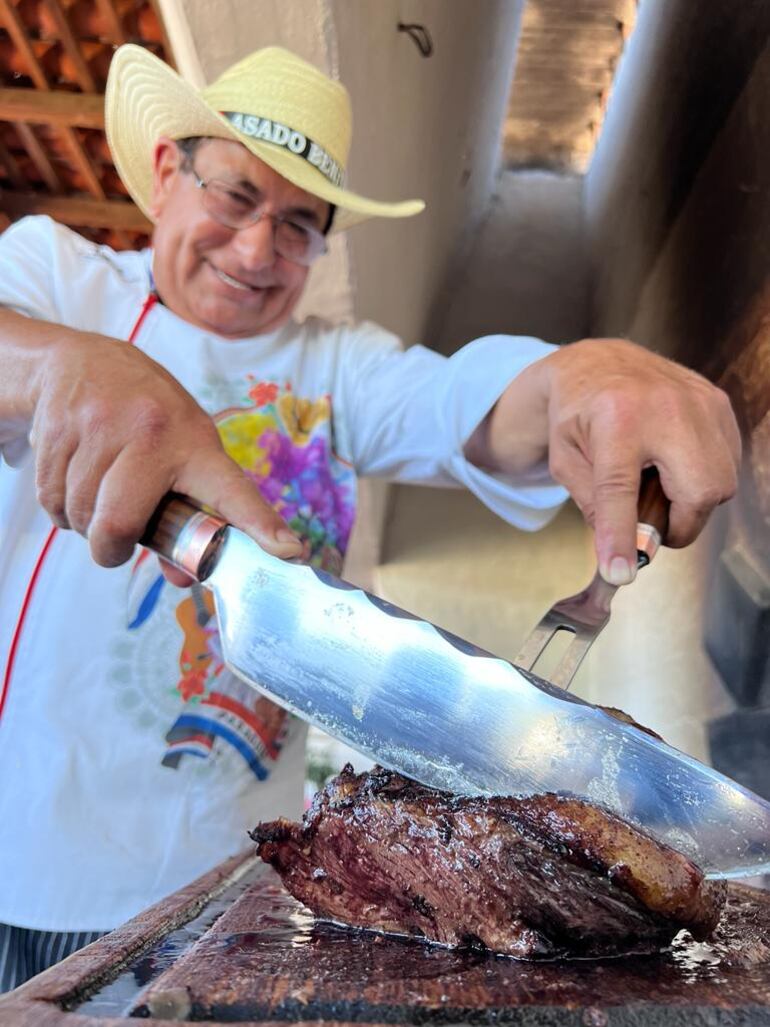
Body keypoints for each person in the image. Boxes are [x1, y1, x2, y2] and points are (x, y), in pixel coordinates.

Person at [0, 44, 740, 990]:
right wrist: (58, 368)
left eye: (301, 224)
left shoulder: (340, 367)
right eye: (234, 195)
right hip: (19, 867)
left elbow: (462, 406)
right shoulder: (62, 280)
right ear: (164, 173)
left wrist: (575, 379)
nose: (260, 249)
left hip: (228, 894)